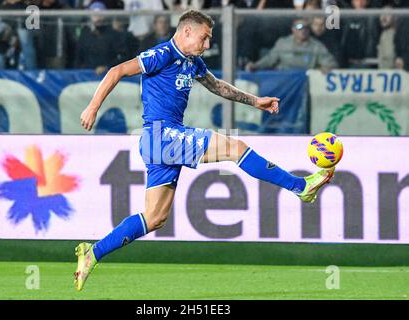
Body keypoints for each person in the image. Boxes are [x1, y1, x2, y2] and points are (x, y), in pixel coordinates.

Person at [74, 10, 335, 291]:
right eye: (205, 37)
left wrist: (255, 101)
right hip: (162, 135)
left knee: (155, 218)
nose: (207, 44)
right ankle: (300, 186)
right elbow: (117, 71)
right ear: (187, 31)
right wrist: (93, 106)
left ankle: (93, 253)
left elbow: (218, 86)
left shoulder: (193, 62)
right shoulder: (162, 54)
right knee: (235, 147)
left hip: (159, 143)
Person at [246, 18, 338, 71]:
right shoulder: (283, 43)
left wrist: (326, 67)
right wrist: (256, 65)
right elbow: (270, 59)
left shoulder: (317, 46)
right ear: (293, 29)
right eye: (299, 27)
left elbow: (330, 63)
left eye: (306, 27)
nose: (303, 30)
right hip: (286, 81)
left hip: (305, 84)